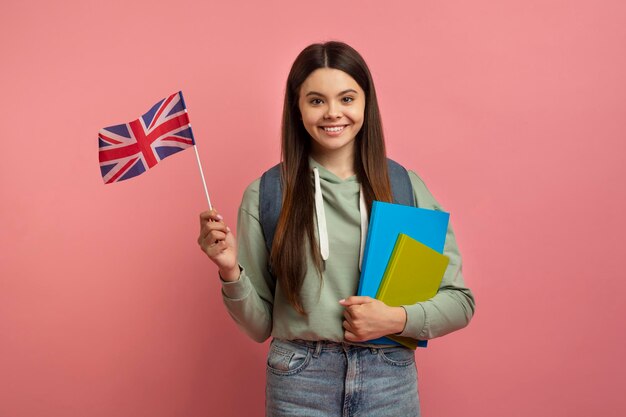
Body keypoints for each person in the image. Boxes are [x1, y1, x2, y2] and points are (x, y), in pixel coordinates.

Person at [198, 41, 475, 417]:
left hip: (388, 377)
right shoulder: (267, 193)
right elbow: (260, 325)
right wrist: (230, 270)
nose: (333, 113)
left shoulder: (404, 187)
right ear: (297, 108)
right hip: (299, 380)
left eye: (346, 98)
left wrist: (395, 319)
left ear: (366, 104)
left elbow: (459, 302)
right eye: (316, 101)